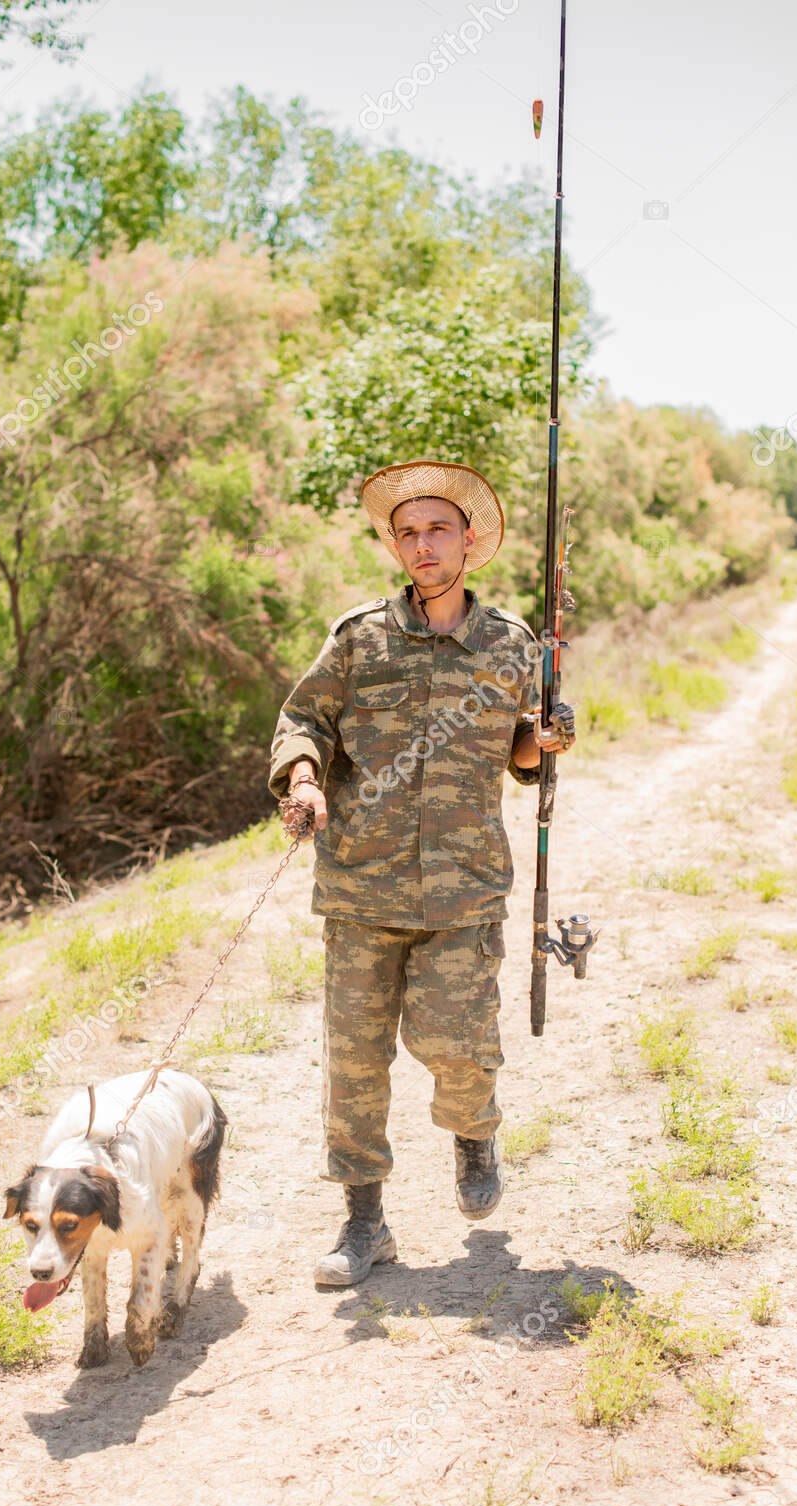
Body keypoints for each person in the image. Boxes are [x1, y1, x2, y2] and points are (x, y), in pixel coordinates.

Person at [267, 460, 575, 1286]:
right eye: (408, 532)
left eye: (438, 529)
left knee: (458, 1042)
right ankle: (364, 1224)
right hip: (361, 884)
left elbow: (519, 745)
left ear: (470, 541)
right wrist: (303, 778)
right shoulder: (360, 636)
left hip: (465, 885)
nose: (422, 545)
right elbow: (304, 717)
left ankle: (475, 1137)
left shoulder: (512, 643)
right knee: (355, 1061)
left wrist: (538, 742)